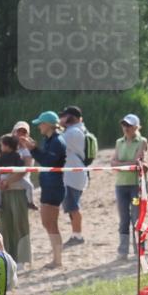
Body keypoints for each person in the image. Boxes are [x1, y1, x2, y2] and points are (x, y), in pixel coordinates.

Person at [20, 111, 66, 269]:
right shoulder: (50, 139)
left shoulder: (57, 141)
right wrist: (34, 148)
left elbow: (48, 161)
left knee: (49, 222)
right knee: (49, 223)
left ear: (48, 125)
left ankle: (58, 260)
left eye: (41, 123)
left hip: (54, 185)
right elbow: (46, 159)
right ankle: (57, 259)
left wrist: (33, 149)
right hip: (49, 184)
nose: (39, 126)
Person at [111, 114, 147, 261]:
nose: (126, 128)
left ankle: (139, 250)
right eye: (124, 125)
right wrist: (123, 165)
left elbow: (136, 163)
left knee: (137, 217)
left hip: (135, 186)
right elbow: (113, 162)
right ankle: (123, 251)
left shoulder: (142, 141)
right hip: (121, 185)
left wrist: (120, 164)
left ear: (136, 127)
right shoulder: (119, 142)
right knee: (123, 218)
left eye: (129, 126)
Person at [0, 135, 31, 268]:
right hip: (5, 193)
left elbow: (23, 171)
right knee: (5, 227)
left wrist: (7, 182)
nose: (21, 134)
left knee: (20, 225)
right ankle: (7, 258)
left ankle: (22, 259)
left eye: (23, 131)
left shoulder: (24, 152)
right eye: (18, 131)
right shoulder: (3, 153)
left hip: (18, 192)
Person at [58, 105, 88, 248]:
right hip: (72, 174)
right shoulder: (73, 130)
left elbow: (58, 143)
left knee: (73, 206)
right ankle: (76, 233)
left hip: (73, 175)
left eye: (65, 116)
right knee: (72, 206)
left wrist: (56, 126)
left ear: (73, 118)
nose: (62, 119)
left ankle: (78, 235)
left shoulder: (74, 131)